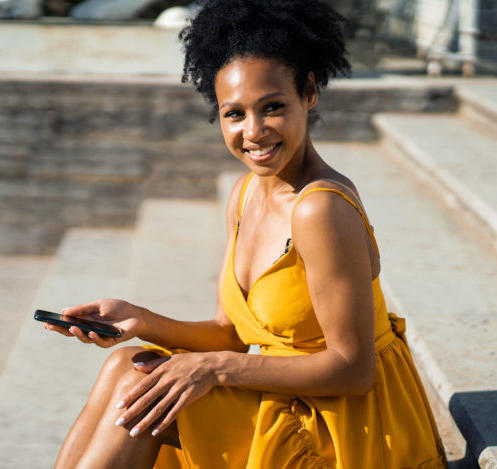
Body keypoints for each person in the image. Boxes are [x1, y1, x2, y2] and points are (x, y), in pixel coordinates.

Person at [45, 0, 449, 467]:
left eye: (272, 107)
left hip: (348, 422)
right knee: (126, 363)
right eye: (234, 114)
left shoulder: (320, 209)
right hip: (288, 393)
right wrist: (140, 319)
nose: (254, 132)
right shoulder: (245, 194)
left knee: (143, 384)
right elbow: (232, 334)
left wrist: (215, 370)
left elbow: (352, 370)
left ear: (310, 92)